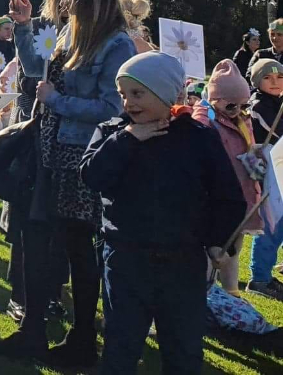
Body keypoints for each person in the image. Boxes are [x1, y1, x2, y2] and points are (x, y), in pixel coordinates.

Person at [0, 0, 135, 366]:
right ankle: (32, 329)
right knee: (36, 242)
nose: (64, 4)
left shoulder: (116, 43)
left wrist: (59, 101)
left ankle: (83, 339)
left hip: (80, 158)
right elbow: (37, 66)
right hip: (47, 152)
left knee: (77, 249)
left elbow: (113, 106)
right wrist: (23, 26)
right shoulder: (71, 33)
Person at [80, 51, 245, 373]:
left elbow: (227, 196)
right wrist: (126, 139)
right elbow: (92, 176)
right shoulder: (112, 132)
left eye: (138, 93)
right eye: (123, 94)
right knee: (121, 346)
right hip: (126, 258)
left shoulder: (198, 137)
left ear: (166, 92)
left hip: (183, 262)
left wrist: (218, 241)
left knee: (183, 349)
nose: (128, 102)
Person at [193, 59, 259, 296]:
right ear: (213, 100)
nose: (239, 111)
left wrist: (256, 157)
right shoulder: (204, 121)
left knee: (234, 247)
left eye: (244, 105)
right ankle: (203, 295)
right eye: (232, 106)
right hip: (214, 200)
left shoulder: (242, 120)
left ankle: (231, 292)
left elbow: (248, 148)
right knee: (211, 250)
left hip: (241, 195)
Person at [246, 58, 283, 299]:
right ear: (258, 81)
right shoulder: (259, 105)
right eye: (268, 78)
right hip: (269, 173)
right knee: (270, 226)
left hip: (280, 170)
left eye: (279, 77)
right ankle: (259, 278)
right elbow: (276, 131)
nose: (275, 82)